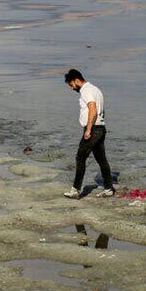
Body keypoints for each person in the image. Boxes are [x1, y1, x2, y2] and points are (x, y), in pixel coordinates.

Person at [62, 69, 115, 198]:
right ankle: (109, 188)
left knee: (80, 157)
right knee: (101, 159)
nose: (71, 88)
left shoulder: (86, 90)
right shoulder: (96, 89)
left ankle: (75, 190)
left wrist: (89, 129)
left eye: (71, 85)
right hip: (101, 127)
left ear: (76, 80)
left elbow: (93, 108)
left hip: (93, 128)